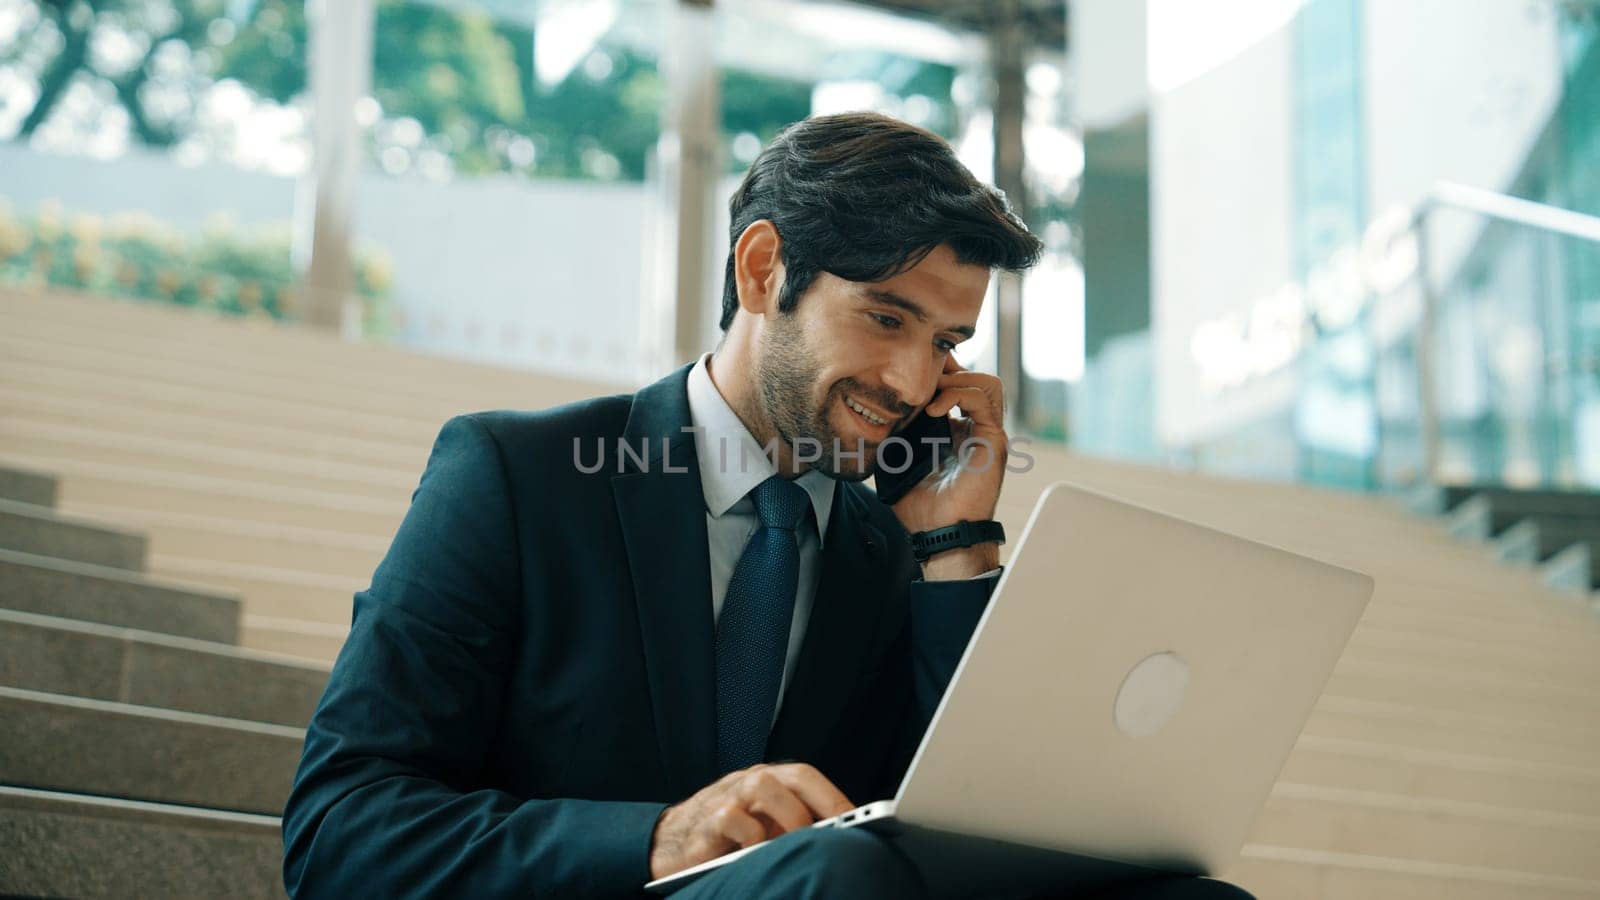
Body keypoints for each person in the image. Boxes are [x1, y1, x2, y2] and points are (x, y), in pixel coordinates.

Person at [281, 112, 1254, 900]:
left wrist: (955, 545)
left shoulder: (889, 546)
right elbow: (338, 829)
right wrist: (658, 840)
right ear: (761, 271)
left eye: (947, 340)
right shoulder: (516, 476)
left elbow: (980, 838)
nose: (917, 381)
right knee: (834, 874)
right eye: (885, 317)